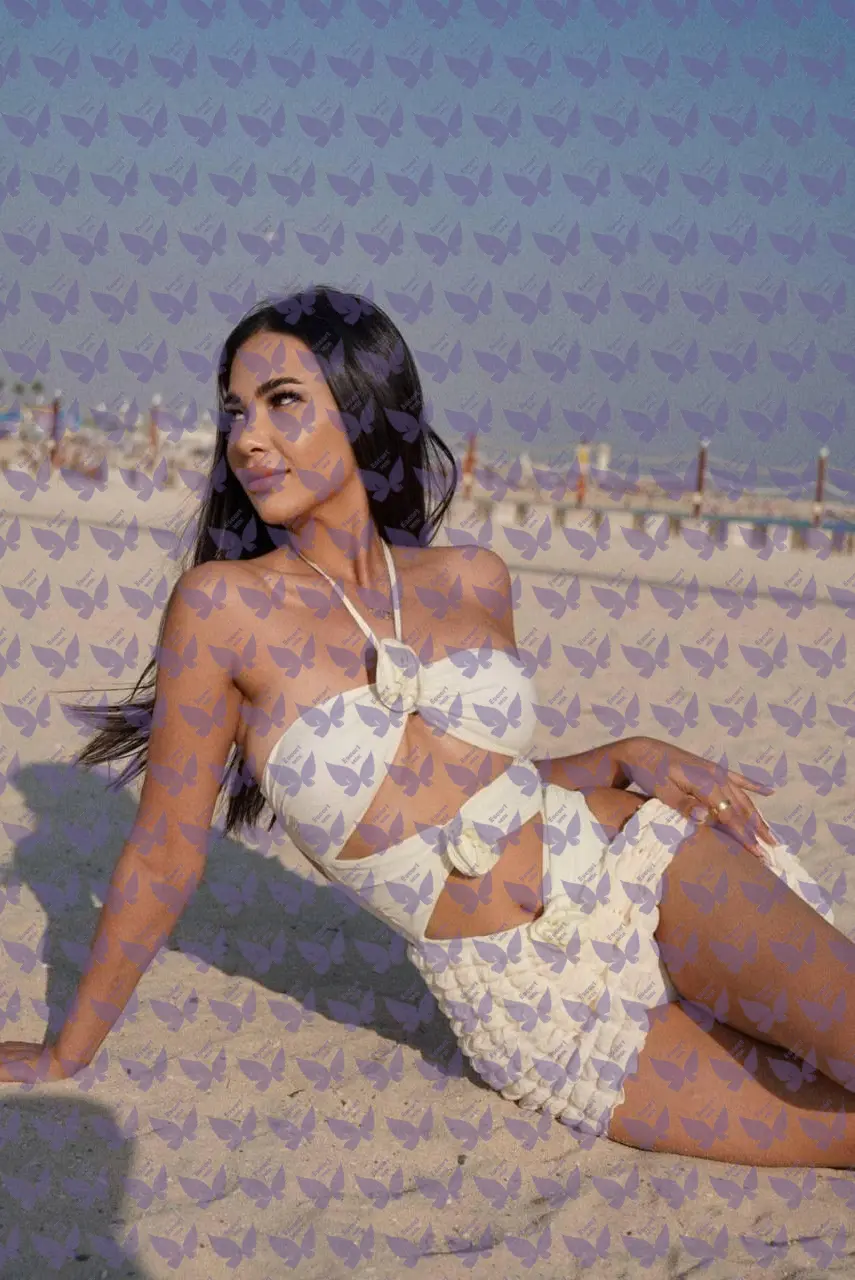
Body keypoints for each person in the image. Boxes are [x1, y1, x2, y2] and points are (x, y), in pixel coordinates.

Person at [3, 285, 854, 1169]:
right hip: (524, 1001)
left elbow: (486, 788)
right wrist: (69, 1050)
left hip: (637, 862)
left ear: (363, 407)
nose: (246, 437)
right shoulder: (220, 608)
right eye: (236, 410)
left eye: (282, 401)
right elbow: (163, 854)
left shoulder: (472, 578)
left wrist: (624, 755)